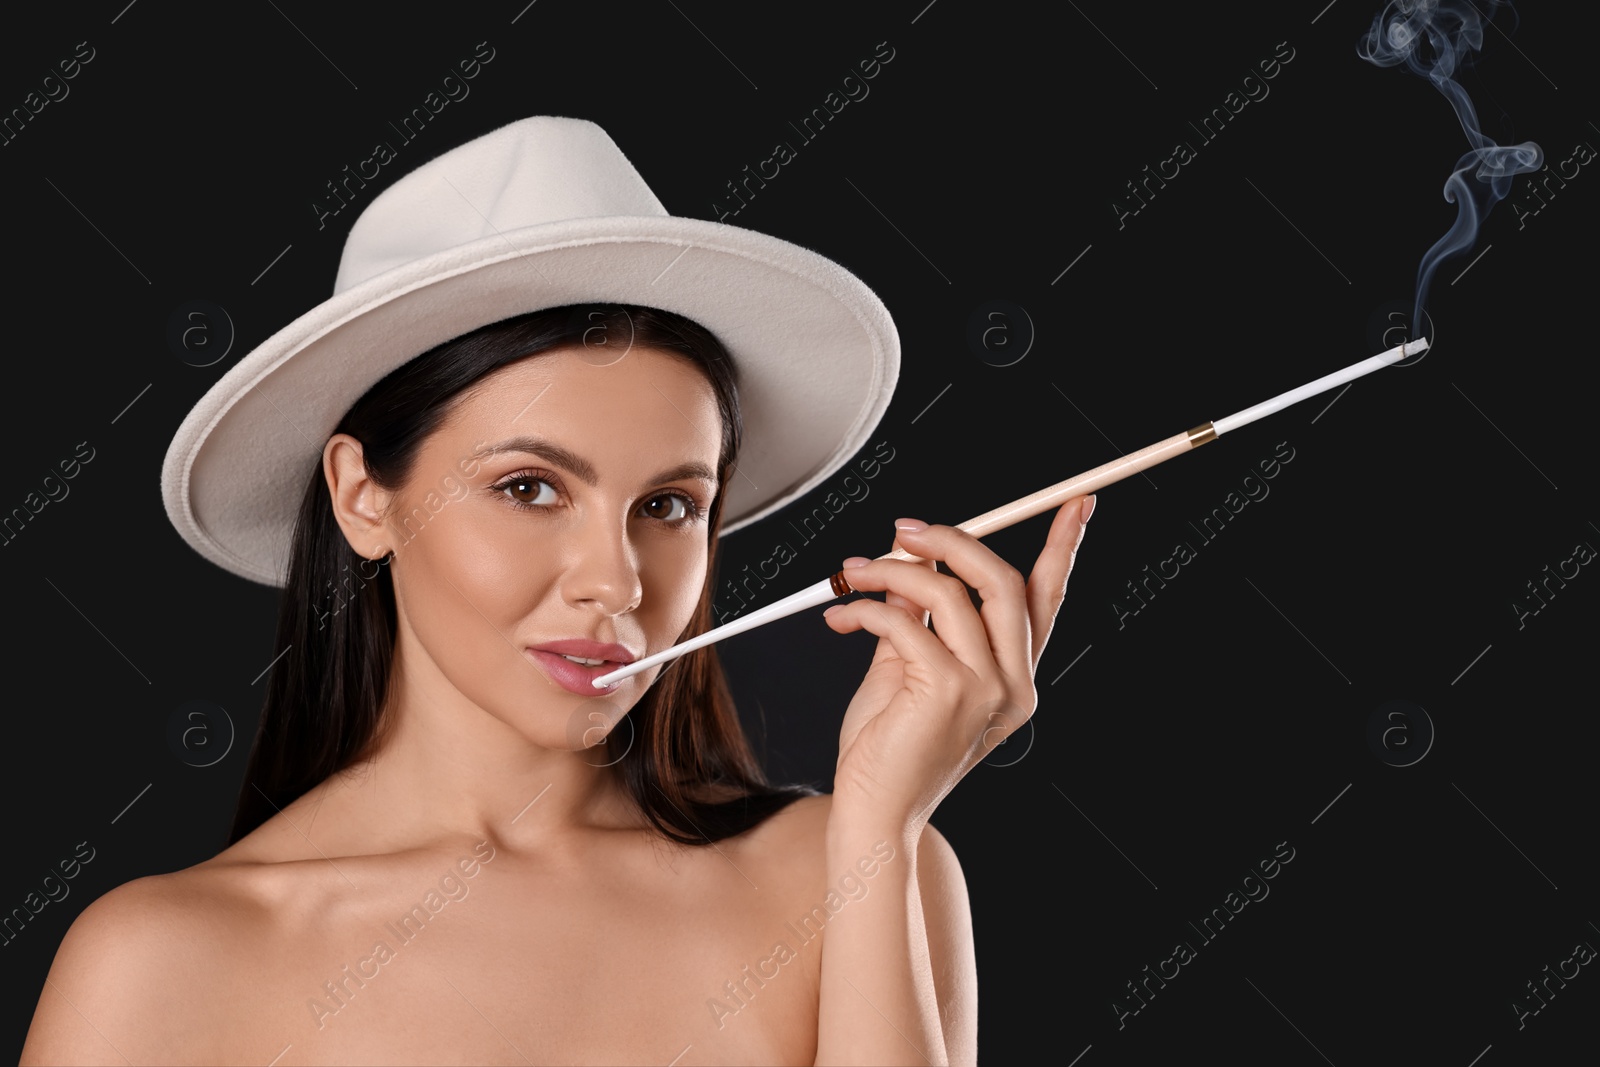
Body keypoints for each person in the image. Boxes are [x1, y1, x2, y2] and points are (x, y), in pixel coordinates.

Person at [20, 116, 1092, 1066]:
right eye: (529, 487)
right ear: (362, 496)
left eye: (668, 504)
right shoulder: (165, 962)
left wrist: (876, 832)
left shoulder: (857, 867)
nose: (614, 578)